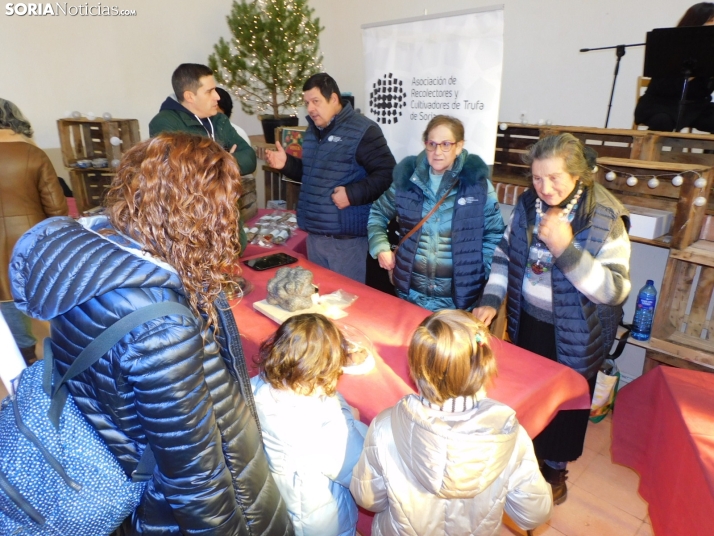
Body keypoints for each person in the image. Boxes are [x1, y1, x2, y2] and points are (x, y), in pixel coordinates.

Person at [10, 133, 292, 535]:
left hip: (120, 449)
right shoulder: (162, 327)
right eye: (226, 208)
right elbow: (196, 478)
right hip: (162, 499)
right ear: (199, 214)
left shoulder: (91, 264)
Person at [474, 133, 631, 505]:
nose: (544, 187)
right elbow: (503, 252)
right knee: (528, 398)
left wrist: (565, 249)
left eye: (555, 177)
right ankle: (523, 460)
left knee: (566, 406)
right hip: (529, 322)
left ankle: (554, 471)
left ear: (577, 174)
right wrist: (492, 298)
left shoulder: (605, 216)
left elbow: (614, 291)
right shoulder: (529, 205)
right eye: (537, 178)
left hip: (578, 332)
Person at [350, 309, 553, 536]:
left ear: (417, 368)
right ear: (483, 366)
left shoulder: (385, 427)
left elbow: (368, 498)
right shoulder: (510, 436)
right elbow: (533, 514)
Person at [265, 73, 396, 284]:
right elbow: (311, 174)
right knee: (322, 306)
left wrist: (352, 194)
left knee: (346, 306)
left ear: (334, 99)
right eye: (307, 103)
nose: (310, 109)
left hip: (346, 242)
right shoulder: (313, 131)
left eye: (316, 101)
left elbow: (388, 174)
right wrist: (286, 164)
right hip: (315, 237)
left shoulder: (364, 130)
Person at [367, 115, 504, 312]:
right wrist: (381, 247)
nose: (437, 152)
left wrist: (480, 269)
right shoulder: (407, 180)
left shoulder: (477, 185)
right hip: (410, 294)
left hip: (457, 300)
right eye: (432, 144)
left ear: (459, 146)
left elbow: (495, 233)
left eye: (446, 144)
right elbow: (377, 213)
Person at [251, 313, 367, 536]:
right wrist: (353, 420)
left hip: (285, 503)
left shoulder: (257, 387)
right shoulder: (326, 421)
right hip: (323, 521)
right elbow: (358, 473)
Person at [0, 98, 68, 365]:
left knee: (6, 301)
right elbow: (56, 206)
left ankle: (25, 356)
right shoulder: (34, 154)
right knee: (46, 296)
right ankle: (64, 352)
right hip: (33, 240)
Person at [149, 63, 257, 175]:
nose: (217, 97)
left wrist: (213, 163)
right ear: (190, 96)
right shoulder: (165, 123)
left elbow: (249, 157)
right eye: (209, 91)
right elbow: (181, 171)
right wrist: (226, 160)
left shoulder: (219, 120)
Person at [634, 3, 714, 132]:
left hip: (695, 106)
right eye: (710, 20)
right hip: (661, 104)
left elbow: (704, 91)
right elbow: (662, 86)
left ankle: (709, 152)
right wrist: (691, 74)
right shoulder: (670, 45)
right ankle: (650, 152)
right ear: (696, 21)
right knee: (661, 121)